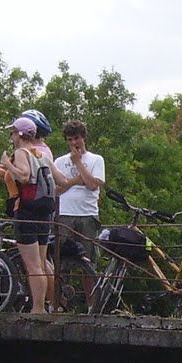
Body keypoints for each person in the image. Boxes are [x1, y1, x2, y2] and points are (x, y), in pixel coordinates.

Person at [0, 116, 57, 314]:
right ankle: (45, 306)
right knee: (40, 264)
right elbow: (62, 180)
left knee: (33, 266)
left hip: (26, 212)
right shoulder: (41, 155)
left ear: (21, 134)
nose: (12, 136)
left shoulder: (22, 152)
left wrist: (7, 163)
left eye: (13, 132)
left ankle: (38, 308)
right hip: (43, 213)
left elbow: (23, 176)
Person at [53, 119, 106, 308]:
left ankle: (92, 305)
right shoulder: (59, 161)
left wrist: (78, 164)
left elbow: (93, 184)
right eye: (69, 139)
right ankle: (60, 304)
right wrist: (78, 180)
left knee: (88, 262)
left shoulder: (96, 159)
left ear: (83, 137)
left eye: (76, 138)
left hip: (87, 215)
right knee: (62, 262)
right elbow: (55, 190)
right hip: (65, 214)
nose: (74, 143)